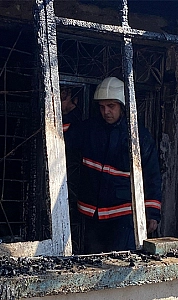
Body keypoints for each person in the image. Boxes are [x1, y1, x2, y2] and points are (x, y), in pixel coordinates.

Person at [64, 77, 162, 253]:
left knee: (120, 264)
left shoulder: (139, 136)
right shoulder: (89, 129)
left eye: (111, 106)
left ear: (123, 107)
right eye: (102, 107)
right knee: (91, 266)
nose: (106, 111)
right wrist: (67, 111)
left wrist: (152, 213)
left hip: (123, 217)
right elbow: (62, 139)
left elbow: (152, 175)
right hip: (92, 216)